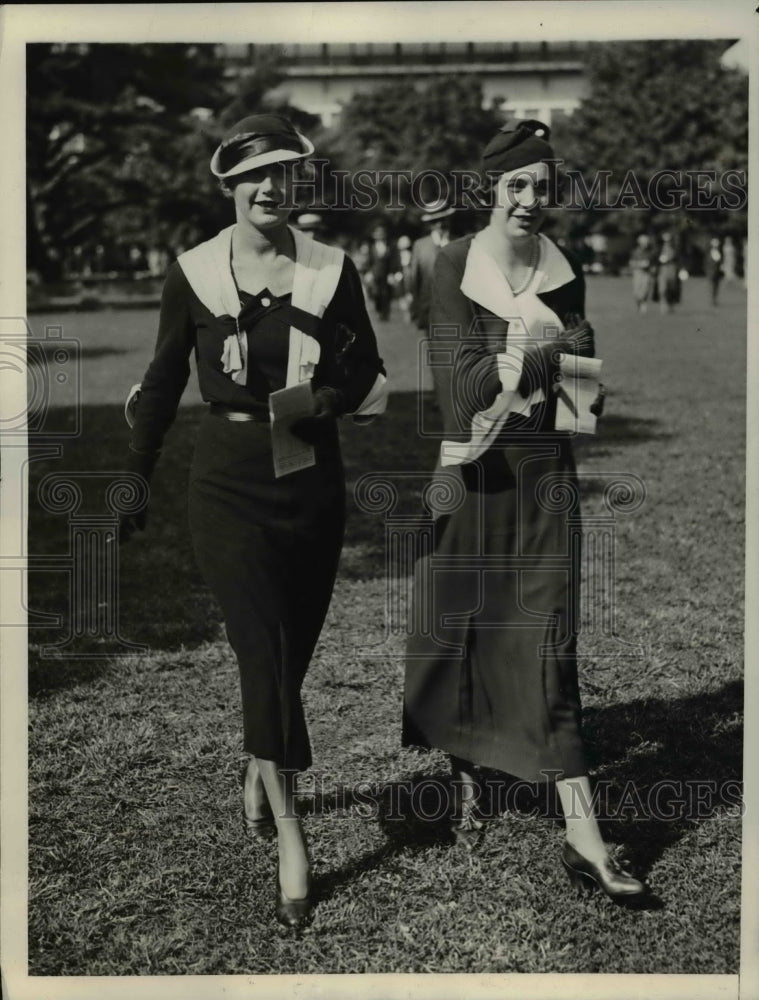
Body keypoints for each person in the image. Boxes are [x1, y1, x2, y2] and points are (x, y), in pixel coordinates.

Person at [119, 113, 387, 930]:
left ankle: (259, 763)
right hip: (226, 481)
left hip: (308, 475)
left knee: (290, 654)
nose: (270, 188)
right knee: (260, 652)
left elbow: (364, 365)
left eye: (284, 174)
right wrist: (134, 473)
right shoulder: (194, 273)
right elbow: (163, 382)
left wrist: (327, 399)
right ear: (229, 186)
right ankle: (294, 839)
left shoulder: (331, 269)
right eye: (253, 177)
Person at [403, 119, 649, 904]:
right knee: (465, 627)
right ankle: (469, 767)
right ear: (491, 190)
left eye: (542, 187)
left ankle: (584, 837)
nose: (530, 200)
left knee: (548, 642)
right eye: (516, 185)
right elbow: (463, 388)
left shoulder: (563, 269)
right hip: (472, 475)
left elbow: (575, 387)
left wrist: (563, 373)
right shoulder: (453, 264)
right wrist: (548, 352)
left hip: (544, 477)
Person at [408, 198, 455, 330]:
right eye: (435, 221)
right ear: (429, 224)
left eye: (442, 220)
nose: (439, 224)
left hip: (456, 309)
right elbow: (415, 280)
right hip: (429, 309)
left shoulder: (458, 243)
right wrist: (416, 310)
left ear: (448, 220)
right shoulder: (420, 246)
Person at [628, 233, 655, 313]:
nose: (645, 243)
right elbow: (631, 263)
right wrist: (640, 264)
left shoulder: (649, 252)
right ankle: (638, 305)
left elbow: (652, 263)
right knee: (637, 291)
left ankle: (643, 306)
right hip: (638, 272)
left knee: (645, 289)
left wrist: (650, 267)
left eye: (646, 241)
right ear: (639, 242)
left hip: (646, 273)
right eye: (643, 241)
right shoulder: (635, 252)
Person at [656, 232, 681, 314]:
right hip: (662, 270)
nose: (667, 241)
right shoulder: (659, 248)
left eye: (668, 240)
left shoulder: (674, 248)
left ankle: (671, 306)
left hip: (672, 270)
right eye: (665, 240)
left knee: (672, 289)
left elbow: (677, 258)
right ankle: (663, 306)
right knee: (662, 289)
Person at [704, 237, 723, 306]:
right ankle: (712, 300)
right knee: (712, 287)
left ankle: (714, 300)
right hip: (711, 272)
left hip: (716, 273)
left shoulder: (718, 253)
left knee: (716, 287)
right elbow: (707, 263)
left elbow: (719, 262)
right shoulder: (710, 253)